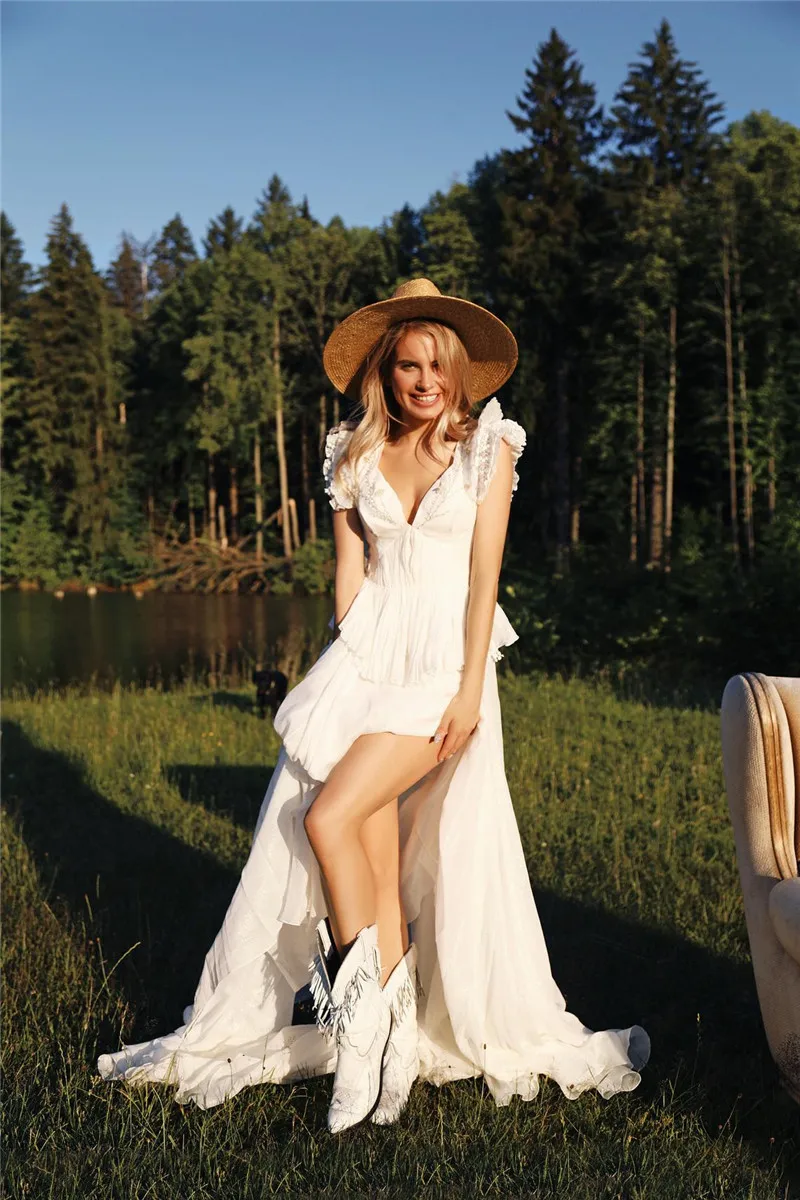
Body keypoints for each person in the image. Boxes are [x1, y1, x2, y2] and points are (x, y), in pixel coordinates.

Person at [97, 279, 650, 1132]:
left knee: (327, 818)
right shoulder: (352, 452)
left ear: (460, 368)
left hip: (444, 666)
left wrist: (470, 688)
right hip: (367, 657)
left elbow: (483, 580)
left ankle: (357, 1035)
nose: (422, 380)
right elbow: (348, 573)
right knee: (371, 845)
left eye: (436, 363)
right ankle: (386, 1045)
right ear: (384, 373)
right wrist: (349, 647)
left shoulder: (487, 444)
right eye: (406, 365)